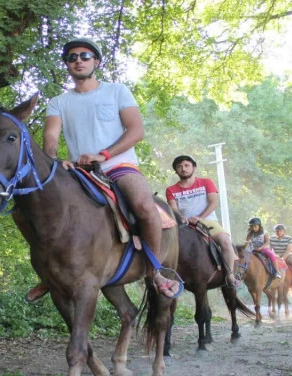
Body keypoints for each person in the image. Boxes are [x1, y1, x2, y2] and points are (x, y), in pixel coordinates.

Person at [24, 37, 180, 303]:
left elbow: (136, 130)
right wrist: (53, 159)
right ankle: (50, 273)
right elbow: (50, 137)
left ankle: (155, 271)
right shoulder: (59, 102)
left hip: (119, 165)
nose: (78, 60)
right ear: (67, 65)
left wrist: (104, 154)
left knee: (144, 206)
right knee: (37, 209)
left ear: (96, 61)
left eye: (85, 56)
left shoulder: (117, 91)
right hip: (79, 170)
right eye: (72, 57)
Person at [165, 155, 241, 287]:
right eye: (179, 167)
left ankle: (230, 275)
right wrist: (180, 217)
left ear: (193, 167)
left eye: (186, 165)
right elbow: (173, 208)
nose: (183, 169)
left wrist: (200, 217)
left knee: (225, 242)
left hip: (208, 221)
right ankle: (168, 276)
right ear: (176, 171)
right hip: (183, 225)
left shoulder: (206, 182)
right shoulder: (171, 190)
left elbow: (213, 203)